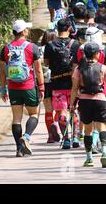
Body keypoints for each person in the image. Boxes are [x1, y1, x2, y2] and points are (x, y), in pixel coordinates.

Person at [70, 42, 106, 168]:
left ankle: (89, 158)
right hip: (100, 100)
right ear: (98, 54)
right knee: (101, 127)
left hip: (85, 101)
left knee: (88, 130)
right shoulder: (102, 67)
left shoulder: (78, 69)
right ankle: (104, 153)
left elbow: (74, 89)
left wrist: (71, 105)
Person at [0, 20, 45, 157]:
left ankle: (19, 149)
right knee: (33, 114)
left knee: (16, 118)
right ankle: (26, 137)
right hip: (29, 86)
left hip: (13, 87)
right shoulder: (32, 47)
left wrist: (3, 89)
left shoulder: (6, 48)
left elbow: (2, 72)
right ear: (24, 31)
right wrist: (41, 87)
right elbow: (38, 70)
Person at [44, 18, 80, 149]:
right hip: (73, 83)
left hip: (56, 84)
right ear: (69, 28)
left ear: (57, 29)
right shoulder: (75, 44)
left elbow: (46, 63)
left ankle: (66, 139)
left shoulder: (50, 45)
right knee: (74, 110)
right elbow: (78, 64)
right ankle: (75, 137)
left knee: (61, 112)